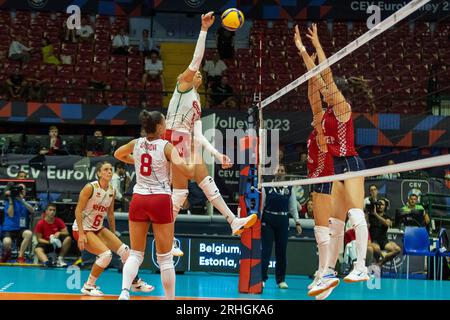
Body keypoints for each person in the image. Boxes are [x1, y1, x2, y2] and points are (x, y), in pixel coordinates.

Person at [164, 12, 257, 256]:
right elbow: (196, 59)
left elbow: (199, 134)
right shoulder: (182, 87)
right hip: (173, 138)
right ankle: (171, 239)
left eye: (199, 74)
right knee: (189, 187)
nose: (198, 73)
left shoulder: (196, 101)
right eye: (194, 72)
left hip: (184, 139)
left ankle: (230, 222)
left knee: (192, 188)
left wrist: (218, 154)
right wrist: (204, 30)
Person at [295, 23, 369, 291]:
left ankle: (361, 266)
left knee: (356, 213)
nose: (325, 92)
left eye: (329, 90)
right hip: (335, 169)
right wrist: (303, 51)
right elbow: (314, 82)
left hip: (350, 163)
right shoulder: (322, 116)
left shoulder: (342, 108)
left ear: (337, 92)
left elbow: (325, 74)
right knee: (336, 224)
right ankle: (327, 272)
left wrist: (317, 46)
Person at [114, 110, 197, 300]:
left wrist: (133, 160)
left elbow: (118, 154)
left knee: (135, 254)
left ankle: (125, 292)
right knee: (165, 258)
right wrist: (193, 154)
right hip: (159, 199)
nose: (166, 124)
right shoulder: (167, 147)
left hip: (139, 199)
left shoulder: (136, 143)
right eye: (165, 122)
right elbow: (188, 172)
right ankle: (170, 299)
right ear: (159, 127)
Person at [72, 161, 153, 296]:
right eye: (105, 169)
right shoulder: (90, 188)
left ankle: (135, 282)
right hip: (83, 229)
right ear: (99, 173)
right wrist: (81, 234)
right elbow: (78, 211)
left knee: (126, 251)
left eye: (110, 169)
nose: (109, 172)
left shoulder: (112, 190)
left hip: (98, 228)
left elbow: (110, 214)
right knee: (106, 255)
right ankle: (88, 286)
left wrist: (113, 232)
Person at [261, 164, 302, 289]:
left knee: (281, 251)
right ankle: (262, 278)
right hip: (268, 220)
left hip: (283, 220)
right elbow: (261, 206)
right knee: (266, 251)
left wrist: (297, 222)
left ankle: (281, 280)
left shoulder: (289, 188)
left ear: (285, 173)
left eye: (282, 170)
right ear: (274, 173)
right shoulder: (266, 187)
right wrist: (258, 221)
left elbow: (293, 207)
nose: (280, 172)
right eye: (278, 170)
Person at [1, 183, 35, 263]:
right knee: (7, 242)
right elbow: (11, 214)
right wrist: (11, 200)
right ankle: (8, 253)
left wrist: (22, 201)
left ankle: (20, 256)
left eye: (23, 190)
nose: (21, 191)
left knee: (29, 233)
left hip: (20, 229)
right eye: (20, 190)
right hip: (9, 229)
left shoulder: (24, 203)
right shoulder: (8, 202)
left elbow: (32, 210)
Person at [368, 198, 401, 266]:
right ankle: (382, 257)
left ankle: (380, 263)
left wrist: (376, 214)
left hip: (384, 241)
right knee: (377, 249)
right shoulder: (370, 216)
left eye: (382, 204)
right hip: (374, 240)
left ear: (385, 206)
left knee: (397, 249)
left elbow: (387, 224)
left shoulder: (387, 217)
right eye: (378, 204)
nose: (380, 206)